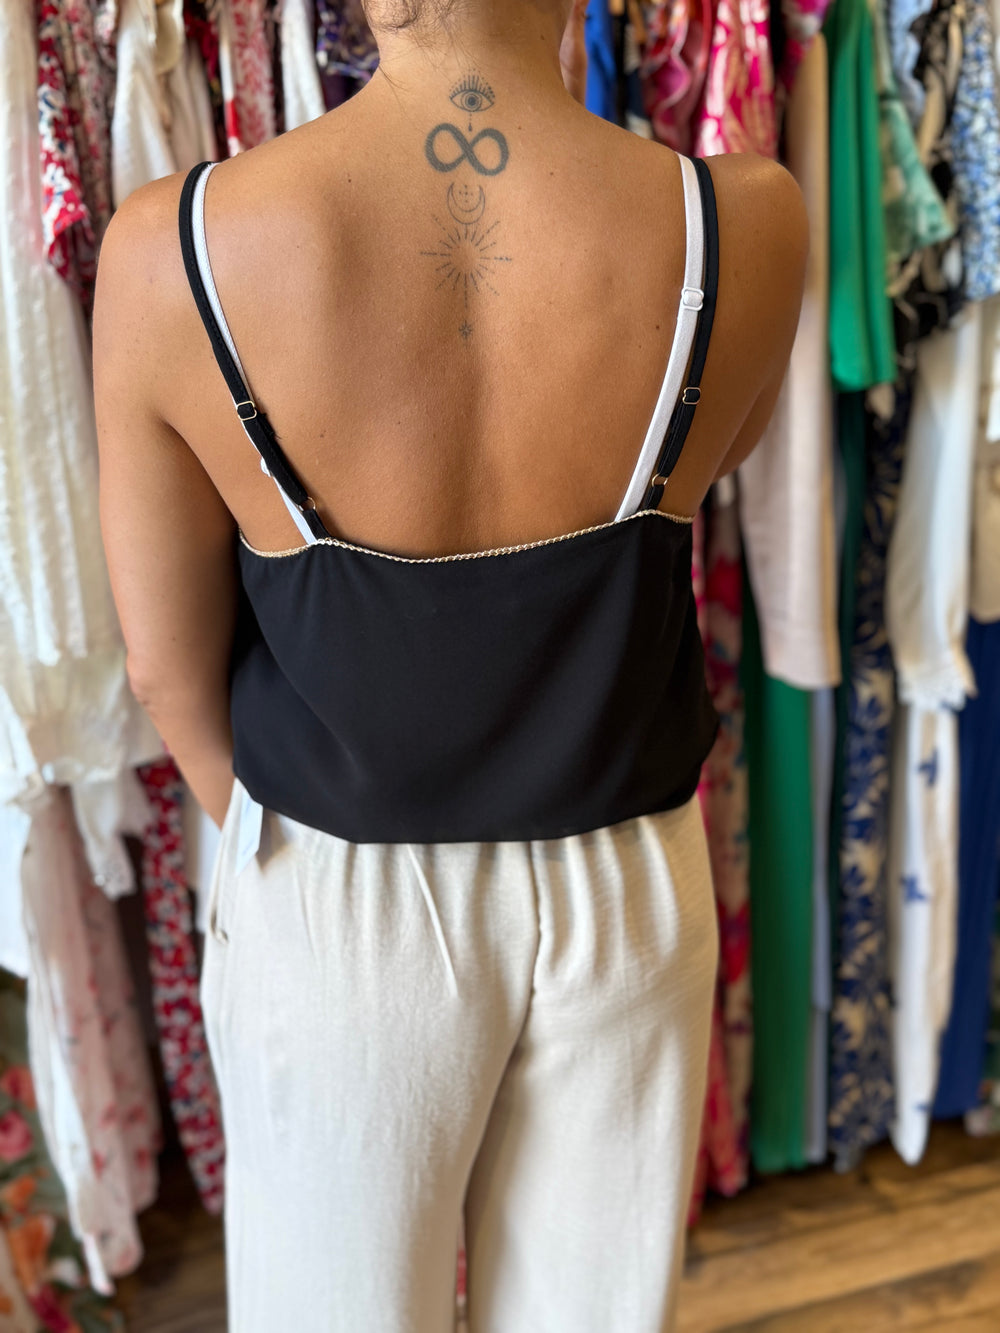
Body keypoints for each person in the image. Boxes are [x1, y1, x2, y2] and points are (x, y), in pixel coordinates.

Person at [93, 0, 807, 1324]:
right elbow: (710, 468)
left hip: (338, 896)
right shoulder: (748, 221)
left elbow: (162, 669)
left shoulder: (171, 251)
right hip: (626, 877)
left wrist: (313, 856)